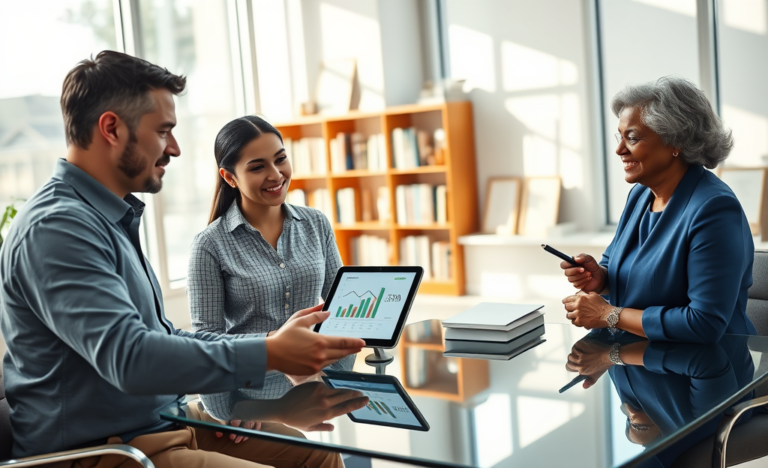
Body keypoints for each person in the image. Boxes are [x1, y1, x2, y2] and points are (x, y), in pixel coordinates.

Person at [0, 50, 365, 467]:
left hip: (163, 422)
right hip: (103, 450)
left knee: (318, 456)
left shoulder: (107, 217)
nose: (174, 148)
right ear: (111, 128)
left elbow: (163, 335)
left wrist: (271, 345)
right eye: (163, 131)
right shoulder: (58, 228)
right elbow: (132, 359)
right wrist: (270, 354)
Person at [561, 76, 756, 343]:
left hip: (706, 370)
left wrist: (609, 314)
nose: (619, 149)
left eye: (632, 137)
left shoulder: (714, 209)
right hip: (639, 359)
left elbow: (705, 323)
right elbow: (629, 273)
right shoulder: (640, 195)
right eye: (620, 137)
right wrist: (601, 279)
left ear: (675, 142)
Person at [187, 116, 341, 338]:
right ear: (230, 177)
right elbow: (206, 340)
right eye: (258, 167)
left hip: (321, 370)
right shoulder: (209, 245)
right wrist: (275, 342)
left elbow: (342, 309)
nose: (276, 175)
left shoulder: (316, 223)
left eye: (280, 159)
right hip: (256, 372)